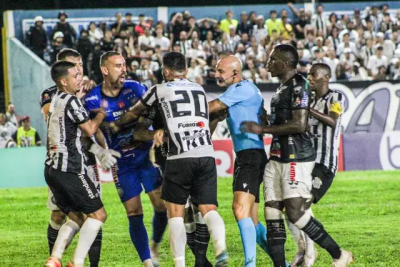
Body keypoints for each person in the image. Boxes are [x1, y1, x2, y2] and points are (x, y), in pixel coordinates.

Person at [240, 44, 353, 267]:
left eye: (272, 60)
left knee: (297, 210)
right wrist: (268, 121)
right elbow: (289, 121)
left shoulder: (327, 95)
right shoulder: (282, 89)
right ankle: (300, 253)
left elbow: (305, 123)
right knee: (273, 213)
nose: (267, 63)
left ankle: (329, 253)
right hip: (279, 156)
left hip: (313, 159)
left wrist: (263, 129)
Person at [113, 51, 228, 267]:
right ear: (185, 70)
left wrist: (115, 125)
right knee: (208, 209)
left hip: (178, 156)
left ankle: (180, 263)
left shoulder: (160, 90)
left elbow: (135, 113)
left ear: (166, 71)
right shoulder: (199, 90)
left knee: (175, 214)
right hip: (206, 155)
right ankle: (220, 247)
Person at [82, 51, 168, 267]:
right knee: (134, 211)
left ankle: (155, 245)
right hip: (121, 163)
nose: (124, 69)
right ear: (105, 70)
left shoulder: (136, 89)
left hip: (145, 157)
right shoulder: (91, 99)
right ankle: (148, 261)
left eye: (124, 65)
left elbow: (157, 112)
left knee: (161, 206)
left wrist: (155, 132)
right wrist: (100, 151)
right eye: (118, 65)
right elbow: (82, 136)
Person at [40, 48, 116, 267]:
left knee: (76, 218)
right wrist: (101, 111)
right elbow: (90, 129)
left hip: (52, 168)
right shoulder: (71, 101)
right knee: (99, 215)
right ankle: (77, 262)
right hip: (71, 168)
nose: (80, 76)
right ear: (64, 81)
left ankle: (54, 260)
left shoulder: (55, 100)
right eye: (75, 74)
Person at [208, 55, 280, 267]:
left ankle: (250, 265)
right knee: (253, 224)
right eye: (217, 70)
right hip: (247, 156)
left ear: (235, 73)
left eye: (221, 71)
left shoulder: (243, 89)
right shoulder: (236, 91)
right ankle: (282, 264)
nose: (217, 75)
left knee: (239, 209)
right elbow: (214, 116)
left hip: (251, 156)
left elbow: (211, 106)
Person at [287, 63, 345, 267]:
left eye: (314, 74)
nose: (309, 77)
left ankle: (311, 254)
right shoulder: (309, 99)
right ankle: (302, 249)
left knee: (301, 205)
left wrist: (307, 110)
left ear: (326, 78)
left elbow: (332, 120)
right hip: (305, 161)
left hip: (325, 163)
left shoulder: (336, 97)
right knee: (290, 204)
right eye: (309, 74)